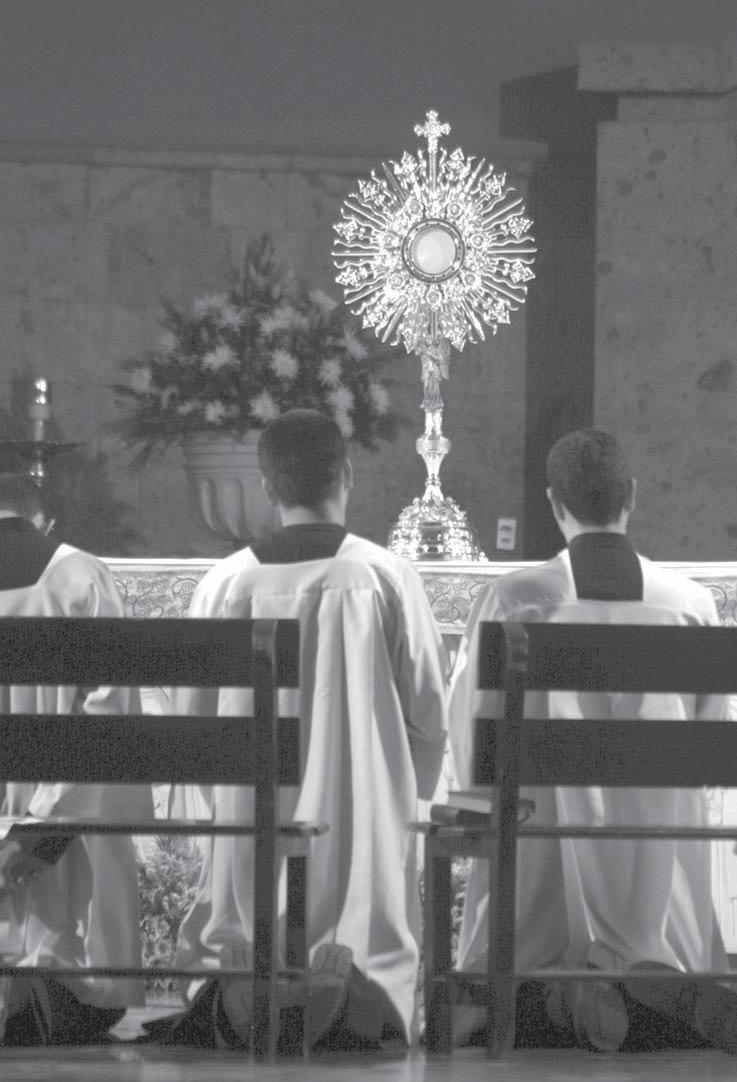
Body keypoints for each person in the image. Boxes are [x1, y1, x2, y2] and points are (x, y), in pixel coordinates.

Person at [158, 409, 448, 1053]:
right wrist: (404, 794)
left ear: (267, 487)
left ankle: (248, 989)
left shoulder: (224, 584)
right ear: (347, 475)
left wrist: (216, 801)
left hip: (251, 819)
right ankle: (350, 985)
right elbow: (429, 716)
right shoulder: (384, 578)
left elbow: (193, 729)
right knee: (366, 876)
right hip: (357, 823)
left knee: (241, 893)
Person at [448, 428, 737, 1053]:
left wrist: (474, 801)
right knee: (673, 822)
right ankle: (651, 984)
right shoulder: (689, 604)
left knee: (516, 839)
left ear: (555, 503)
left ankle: (560, 993)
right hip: (658, 868)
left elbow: (472, 734)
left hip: (540, 867)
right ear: (631, 494)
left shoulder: (513, 601)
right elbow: (713, 742)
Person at [0, 472, 153, 1045]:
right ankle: (50, 993)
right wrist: (42, 828)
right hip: (61, 829)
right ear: (42, 521)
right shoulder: (81, 574)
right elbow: (107, 717)